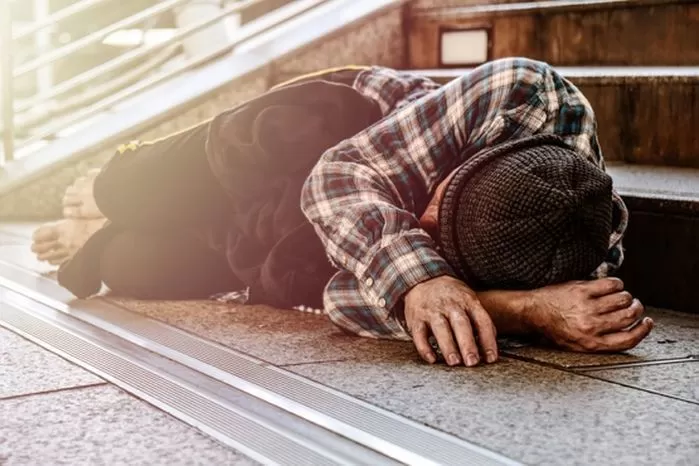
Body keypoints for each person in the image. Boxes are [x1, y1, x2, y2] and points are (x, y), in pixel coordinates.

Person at [32, 58, 653, 367]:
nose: (423, 230)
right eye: (437, 211)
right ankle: (95, 199)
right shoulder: (522, 95)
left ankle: (89, 241)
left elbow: (339, 296)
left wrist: (519, 310)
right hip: (308, 136)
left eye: (445, 247)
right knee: (125, 189)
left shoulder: (568, 259)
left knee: (121, 267)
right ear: (467, 162)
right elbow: (337, 177)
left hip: (306, 235)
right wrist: (425, 278)